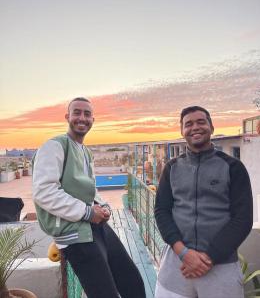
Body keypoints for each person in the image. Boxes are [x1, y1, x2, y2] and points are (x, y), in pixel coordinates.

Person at [32, 97, 146, 298]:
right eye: (77, 112)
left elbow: (90, 191)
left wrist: (103, 207)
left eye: (87, 114)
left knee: (132, 282)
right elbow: (44, 192)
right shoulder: (54, 146)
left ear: (93, 119)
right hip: (74, 234)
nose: (82, 118)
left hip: (94, 226)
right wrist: (86, 212)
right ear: (68, 117)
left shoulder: (85, 152)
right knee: (104, 294)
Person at [154, 106, 253, 298]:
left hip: (221, 266)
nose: (195, 127)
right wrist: (184, 253)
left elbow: (243, 219)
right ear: (182, 131)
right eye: (188, 124)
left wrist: (208, 258)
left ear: (211, 127)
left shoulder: (233, 167)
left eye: (201, 122)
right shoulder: (172, 168)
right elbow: (161, 211)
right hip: (176, 266)